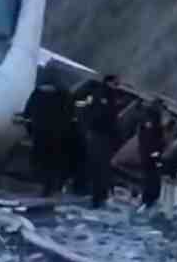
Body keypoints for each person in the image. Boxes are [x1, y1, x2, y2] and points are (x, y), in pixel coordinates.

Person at [21, 70, 76, 197]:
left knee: (40, 158)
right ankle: (49, 186)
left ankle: (41, 184)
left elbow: (28, 111)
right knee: (53, 161)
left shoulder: (39, 91)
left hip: (40, 131)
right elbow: (70, 114)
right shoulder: (64, 93)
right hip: (57, 133)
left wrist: (29, 125)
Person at [77, 74, 124, 208]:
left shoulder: (105, 95)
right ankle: (97, 196)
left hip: (99, 135)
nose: (117, 86)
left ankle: (97, 194)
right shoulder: (104, 96)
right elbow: (105, 117)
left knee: (98, 165)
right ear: (109, 82)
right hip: (101, 135)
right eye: (116, 83)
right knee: (100, 166)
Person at [134, 101, 166, 207]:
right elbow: (151, 138)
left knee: (149, 177)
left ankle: (148, 199)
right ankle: (148, 199)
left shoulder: (149, 118)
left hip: (147, 153)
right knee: (151, 177)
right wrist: (155, 153)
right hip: (150, 154)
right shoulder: (152, 119)